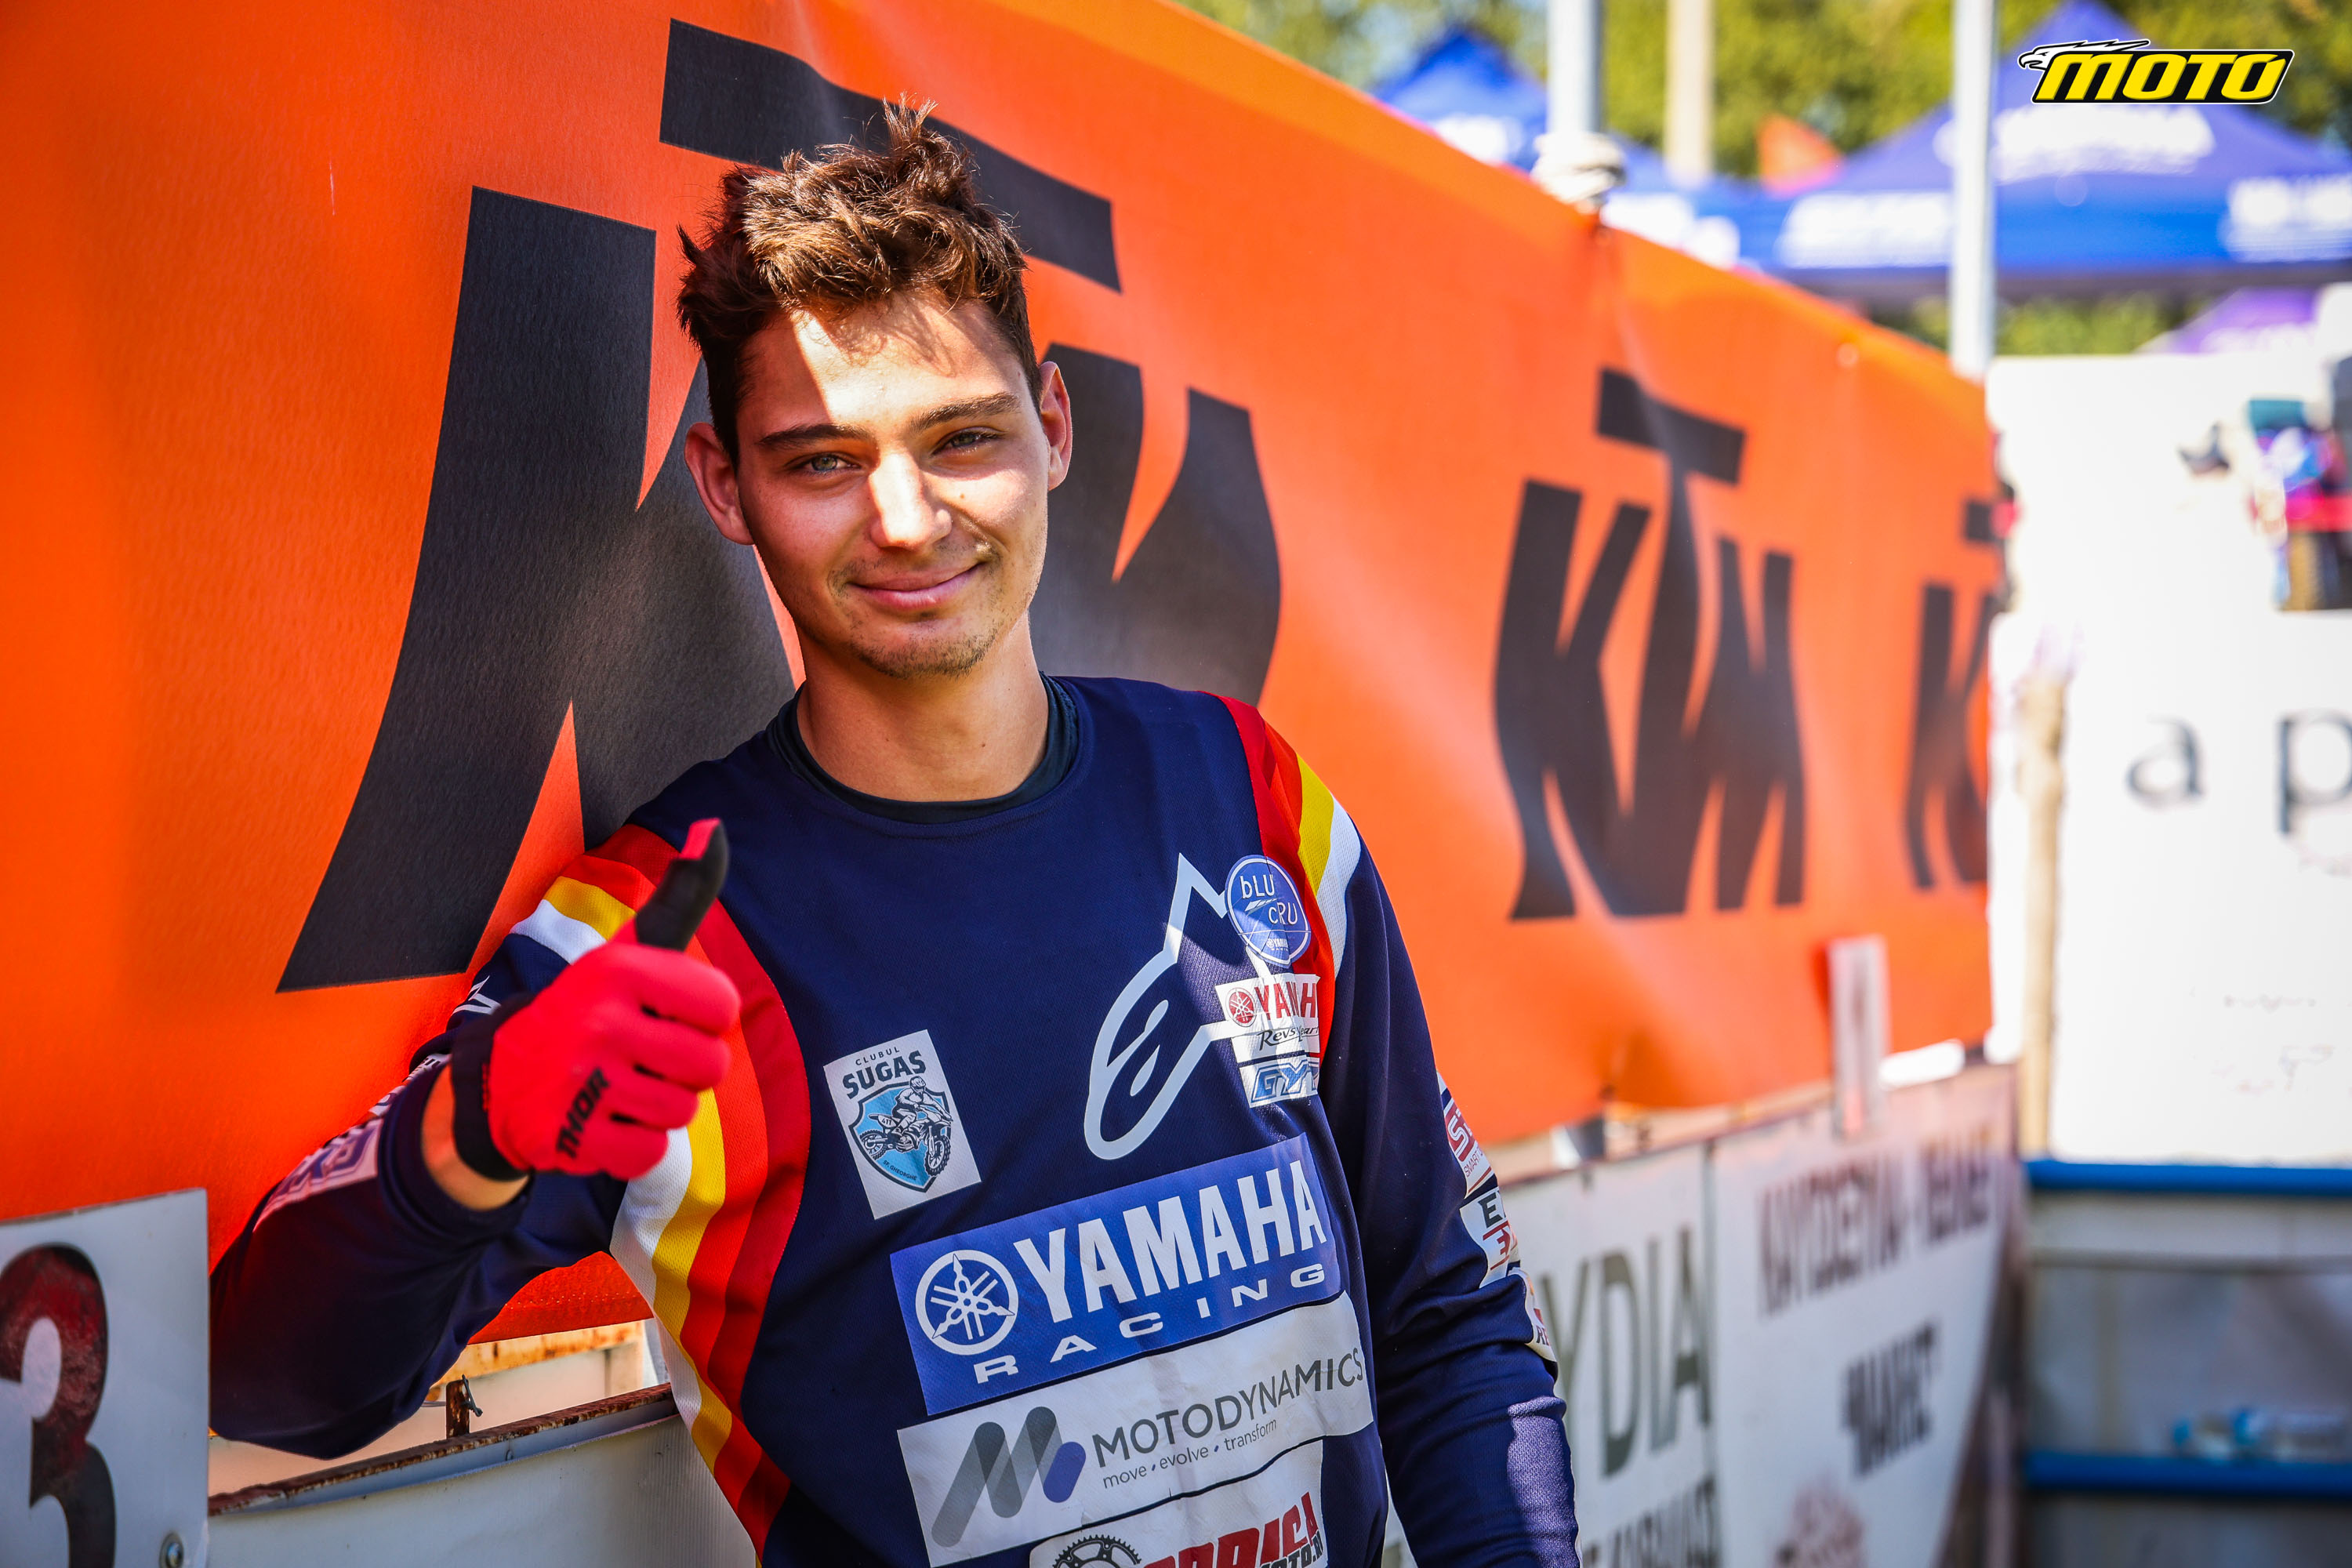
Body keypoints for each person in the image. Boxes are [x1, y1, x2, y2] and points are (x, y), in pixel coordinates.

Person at [210, 105, 1575, 1568]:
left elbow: (1445, 1312)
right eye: (822, 462)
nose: (909, 519)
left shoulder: (1252, 797)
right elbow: (268, 1387)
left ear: (1053, 428)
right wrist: (467, 1135)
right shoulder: (659, 937)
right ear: (724, 486)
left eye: (962, 438)